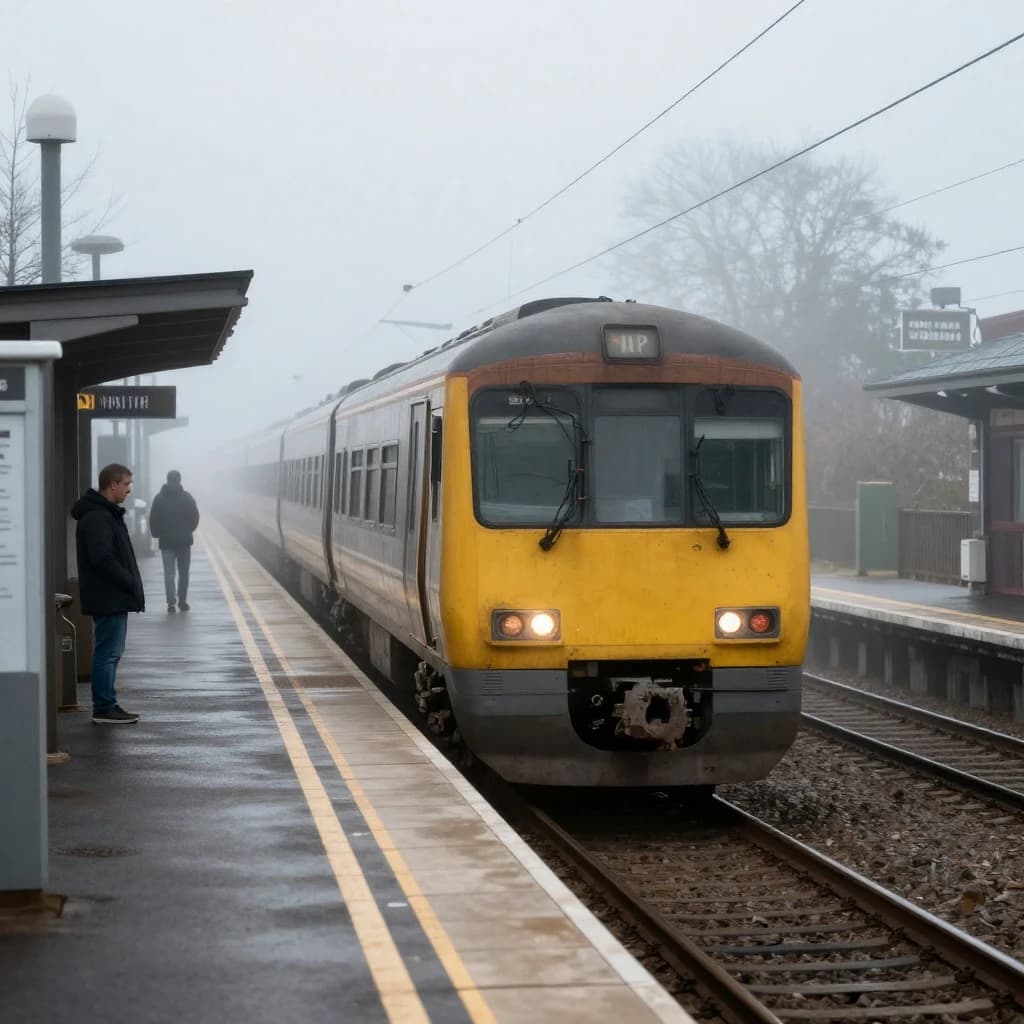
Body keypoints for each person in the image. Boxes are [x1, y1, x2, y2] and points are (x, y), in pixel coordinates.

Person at [71, 463, 145, 725]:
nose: (129, 489)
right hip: (109, 596)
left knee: (109, 651)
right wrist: (129, 581)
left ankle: (107, 704)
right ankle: (104, 707)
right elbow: (102, 559)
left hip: (110, 595)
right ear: (113, 484)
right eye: (126, 484)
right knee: (108, 653)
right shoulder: (99, 517)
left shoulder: (104, 514)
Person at [149, 469, 200, 613]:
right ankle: (182, 601)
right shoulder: (187, 498)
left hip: (166, 542)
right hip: (184, 542)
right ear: (179, 480)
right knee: (184, 573)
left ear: (167, 479)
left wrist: (156, 533)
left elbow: (153, 519)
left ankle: (171, 603)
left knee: (169, 573)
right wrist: (188, 530)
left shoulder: (159, 498)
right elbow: (195, 517)